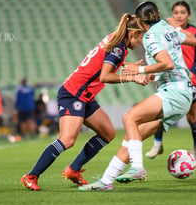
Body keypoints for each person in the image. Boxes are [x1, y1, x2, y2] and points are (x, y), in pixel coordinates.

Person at [20, 13, 151, 191]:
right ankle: (31, 176)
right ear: (134, 33)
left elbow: (106, 62)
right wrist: (132, 77)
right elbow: (105, 75)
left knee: (107, 133)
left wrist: (131, 68)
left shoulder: (117, 42)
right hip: (73, 94)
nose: (141, 42)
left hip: (85, 95)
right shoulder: (118, 48)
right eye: (142, 37)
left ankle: (73, 170)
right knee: (67, 140)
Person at [79, 1, 196, 191]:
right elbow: (194, 40)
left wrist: (138, 69)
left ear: (141, 23)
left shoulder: (151, 36)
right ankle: (106, 181)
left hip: (175, 90)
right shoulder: (166, 28)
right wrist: (174, 35)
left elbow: (167, 63)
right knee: (132, 136)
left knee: (129, 118)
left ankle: (137, 167)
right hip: (182, 91)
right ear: (157, 13)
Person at [145, 0, 196, 163]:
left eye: (183, 13)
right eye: (176, 13)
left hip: (191, 80)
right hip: (170, 79)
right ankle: (157, 144)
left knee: (191, 118)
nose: (179, 16)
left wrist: (192, 71)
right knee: (161, 112)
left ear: (189, 15)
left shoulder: (195, 32)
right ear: (171, 14)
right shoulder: (164, 29)